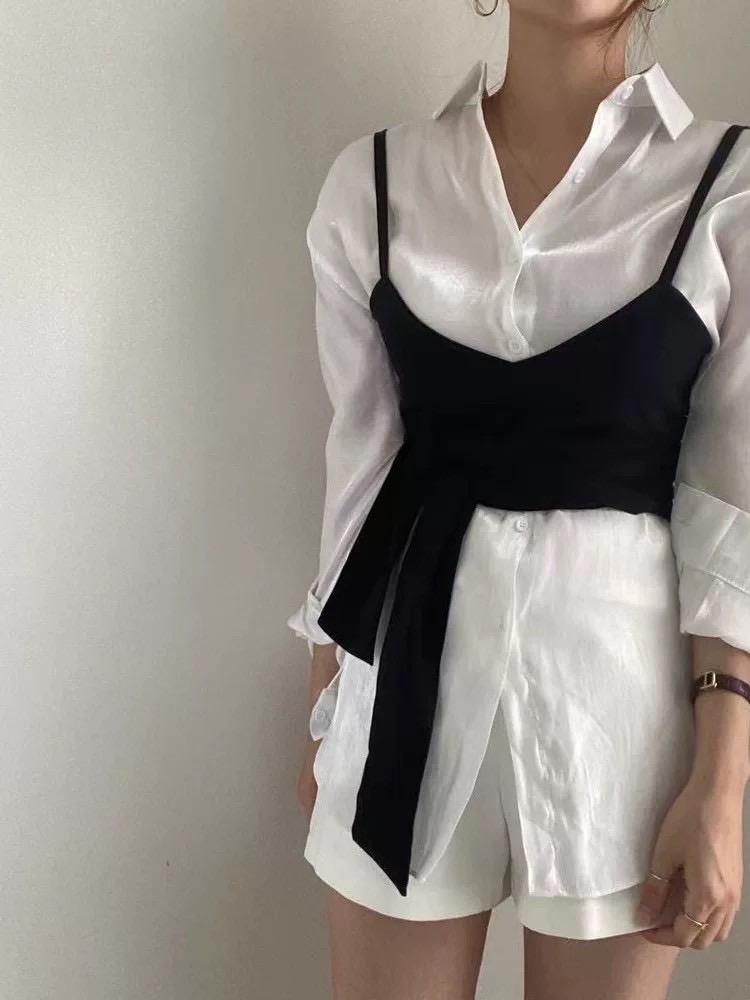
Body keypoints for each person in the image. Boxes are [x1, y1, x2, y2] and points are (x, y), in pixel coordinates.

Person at [287, 2, 750, 997]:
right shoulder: (374, 183)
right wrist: (326, 702)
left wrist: (724, 777)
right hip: (397, 697)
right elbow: (361, 461)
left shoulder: (728, 186)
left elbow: (734, 498)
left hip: (620, 723)